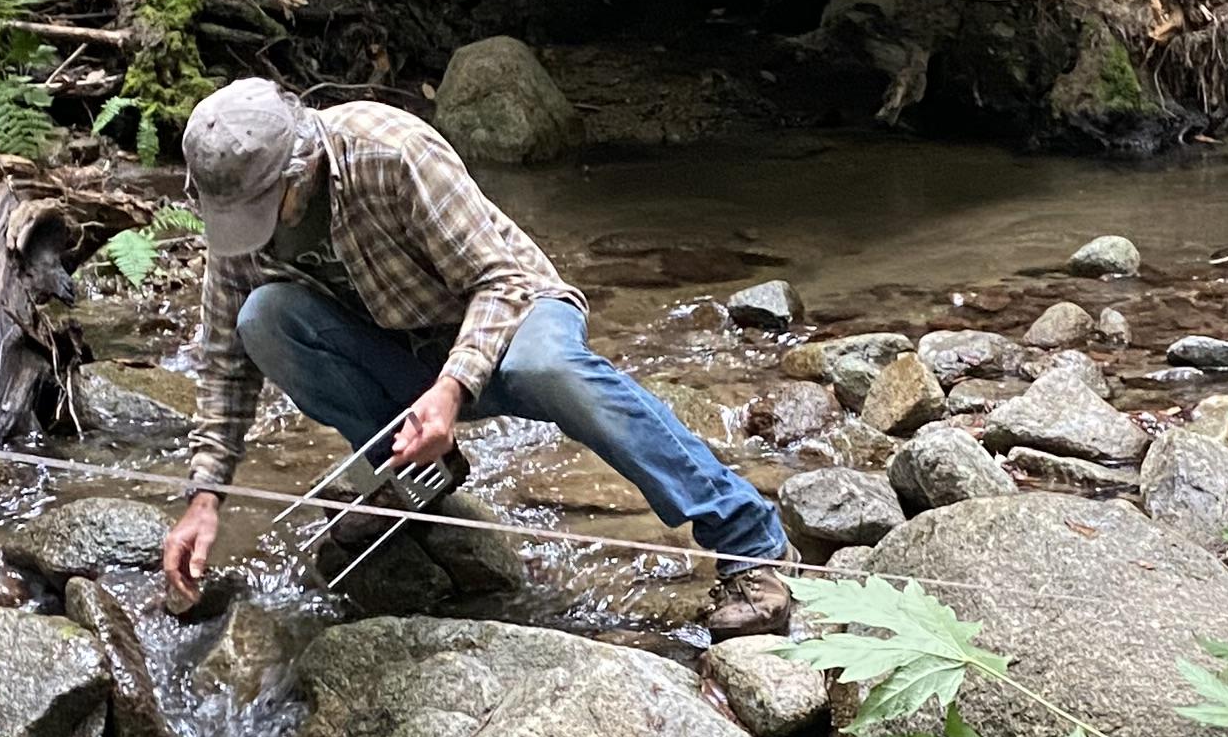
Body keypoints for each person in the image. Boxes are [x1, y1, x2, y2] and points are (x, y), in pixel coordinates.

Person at [153, 78, 798, 638]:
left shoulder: (390, 151)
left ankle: (748, 539)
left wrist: (452, 388)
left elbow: (500, 282)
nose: (250, 230)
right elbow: (223, 358)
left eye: (262, 211)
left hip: (516, 312)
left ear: (301, 165)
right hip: (403, 351)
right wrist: (206, 496)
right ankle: (406, 487)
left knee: (547, 371)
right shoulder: (239, 218)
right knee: (261, 320)